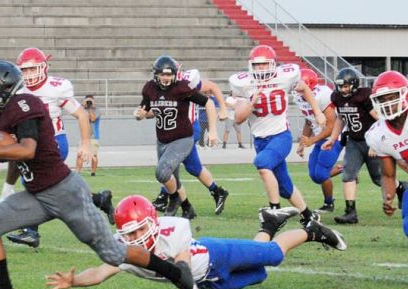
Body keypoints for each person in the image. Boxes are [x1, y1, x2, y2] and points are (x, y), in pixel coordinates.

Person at [0, 60, 199, 289]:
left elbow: (27, 149)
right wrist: (8, 187)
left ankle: (177, 273)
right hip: (36, 195)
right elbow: (16, 157)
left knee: (113, 254)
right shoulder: (1, 115)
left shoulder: (25, 104)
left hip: (65, 192)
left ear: (4, 87)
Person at [46, 195, 346, 289]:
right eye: (130, 233)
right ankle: (268, 223)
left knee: (273, 256)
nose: (136, 237)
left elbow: (182, 274)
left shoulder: (171, 231)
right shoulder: (126, 249)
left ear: (153, 221)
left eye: (140, 229)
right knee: (259, 274)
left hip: (217, 254)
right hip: (209, 280)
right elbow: (101, 272)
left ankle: (312, 231)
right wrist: (74, 281)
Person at [5, 47, 115, 248]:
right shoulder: (19, 90)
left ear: (44, 67)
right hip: (31, 144)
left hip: (54, 142)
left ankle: (31, 232)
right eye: (25, 70)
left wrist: (85, 144)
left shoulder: (55, 87)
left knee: (33, 183)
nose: (28, 74)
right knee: (56, 191)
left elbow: (81, 115)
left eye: (32, 69)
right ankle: (100, 200)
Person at [229, 45, 325, 225]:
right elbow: (239, 118)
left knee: (262, 163)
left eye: (264, 64)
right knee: (284, 186)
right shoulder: (245, 84)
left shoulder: (284, 77)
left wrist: (317, 112)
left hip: (280, 136)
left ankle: (275, 211)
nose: (260, 68)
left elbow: (304, 88)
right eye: (257, 65)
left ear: (273, 64)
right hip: (260, 141)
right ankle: (309, 216)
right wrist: (251, 103)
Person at [135, 55, 219, 219]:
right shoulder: (150, 88)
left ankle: (174, 199)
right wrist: (139, 115)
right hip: (162, 140)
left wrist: (213, 130)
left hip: (182, 139)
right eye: (163, 74)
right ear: (156, 74)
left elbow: (208, 103)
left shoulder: (181, 88)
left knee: (162, 173)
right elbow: (146, 111)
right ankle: (187, 208)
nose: (166, 78)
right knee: (173, 179)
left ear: (175, 74)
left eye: (169, 74)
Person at [322, 67, 407, 224]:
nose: (343, 90)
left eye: (346, 86)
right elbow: (341, 118)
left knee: (378, 178)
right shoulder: (337, 98)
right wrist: (333, 138)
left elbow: (380, 119)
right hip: (353, 142)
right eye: (340, 86)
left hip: (370, 142)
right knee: (348, 174)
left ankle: (401, 187)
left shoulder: (363, 97)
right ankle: (350, 212)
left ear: (354, 84)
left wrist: (375, 144)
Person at [150, 65, 229, 218]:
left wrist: (223, 108)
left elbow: (212, 86)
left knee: (169, 165)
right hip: (172, 131)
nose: (164, 77)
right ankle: (215, 192)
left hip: (188, 129)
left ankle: (164, 196)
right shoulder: (160, 84)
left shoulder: (187, 81)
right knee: (193, 167)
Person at [366, 71, 408, 261]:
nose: (387, 103)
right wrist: (388, 196)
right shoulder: (377, 134)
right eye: (382, 99)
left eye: (392, 97)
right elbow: (388, 174)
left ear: (406, 94)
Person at [294, 68, 342, 212]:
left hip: (334, 137)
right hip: (320, 137)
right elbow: (309, 120)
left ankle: (329, 204)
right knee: (314, 175)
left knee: (321, 174)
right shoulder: (299, 98)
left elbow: (332, 126)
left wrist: (312, 140)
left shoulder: (323, 95)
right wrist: (303, 143)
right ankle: (346, 168)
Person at [75, 94, 101, 176]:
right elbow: (77, 115)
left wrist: (90, 109)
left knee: (94, 155)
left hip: (94, 136)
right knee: (80, 154)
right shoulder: (82, 110)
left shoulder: (96, 110)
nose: (89, 102)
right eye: (87, 101)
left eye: (90, 101)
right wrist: (82, 106)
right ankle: (77, 172)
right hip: (84, 136)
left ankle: (93, 172)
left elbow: (93, 118)